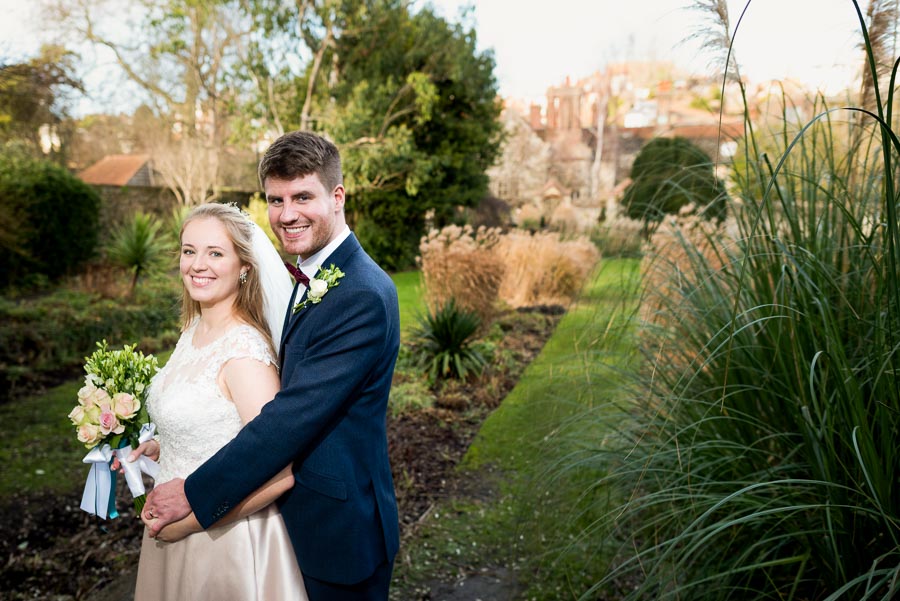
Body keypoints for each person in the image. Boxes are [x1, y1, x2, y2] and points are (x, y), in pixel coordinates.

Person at [144, 131, 401, 600]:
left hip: (337, 532)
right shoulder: (310, 274)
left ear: (337, 196)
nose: (287, 214)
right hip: (294, 524)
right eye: (275, 200)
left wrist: (194, 495)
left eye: (303, 196)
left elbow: (289, 417)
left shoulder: (361, 293)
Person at [124, 202, 305, 600]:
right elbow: (216, 423)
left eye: (215, 253)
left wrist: (188, 524)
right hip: (171, 531)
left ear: (244, 266)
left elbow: (279, 474)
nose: (197, 264)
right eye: (189, 251)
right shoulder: (193, 330)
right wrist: (164, 443)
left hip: (225, 543)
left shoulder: (245, 353)